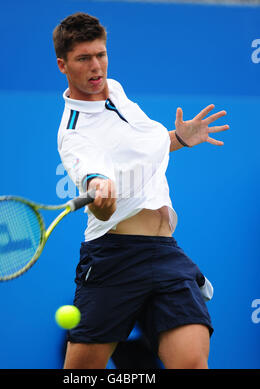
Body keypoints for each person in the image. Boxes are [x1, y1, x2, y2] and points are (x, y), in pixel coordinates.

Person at [53, 12, 229, 369]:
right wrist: (100, 194)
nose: (95, 66)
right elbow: (98, 191)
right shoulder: (73, 133)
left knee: (192, 363)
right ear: (63, 65)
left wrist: (178, 138)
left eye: (100, 54)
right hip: (115, 258)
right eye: (83, 58)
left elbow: (139, 154)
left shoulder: (115, 91)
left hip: (165, 253)